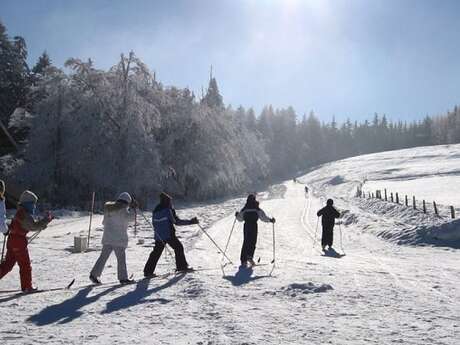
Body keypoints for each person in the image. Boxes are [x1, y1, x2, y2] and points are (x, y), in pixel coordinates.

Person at [0, 190, 53, 292]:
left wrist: (43, 224)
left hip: (12, 240)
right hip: (19, 242)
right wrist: (46, 220)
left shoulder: (20, 212)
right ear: (27, 204)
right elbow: (34, 226)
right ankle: (27, 287)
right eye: (33, 204)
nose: (34, 207)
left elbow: (31, 225)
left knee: (7, 264)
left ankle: (26, 286)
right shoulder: (24, 214)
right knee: (25, 265)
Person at [143, 192, 199, 277]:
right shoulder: (167, 209)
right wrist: (191, 222)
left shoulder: (156, 210)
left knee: (156, 253)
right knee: (178, 247)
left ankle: (148, 271)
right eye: (170, 201)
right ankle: (182, 267)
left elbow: (154, 223)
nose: (171, 203)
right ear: (167, 201)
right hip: (168, 234)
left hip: (159, 236)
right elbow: (176, 222)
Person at [90, 192, 137, 284]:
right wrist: (133, 209)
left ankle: (94, 274)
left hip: (107, 238)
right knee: (121, 260)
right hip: (119, 239)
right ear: (127, 202)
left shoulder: (109, 209)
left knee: (103, 257)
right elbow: (131, 219)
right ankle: (123, 278)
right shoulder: (123, 210)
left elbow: (104, 222)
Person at [235, 194, 275, 267]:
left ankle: (243, 260)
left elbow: (240, 219)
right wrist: (270, 220)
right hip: (254, 226)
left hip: (246, 226)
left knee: (246, 242)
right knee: (252, 241)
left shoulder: (245, 208)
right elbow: (263, 217)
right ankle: (250, 257)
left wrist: (237, 215)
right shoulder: (256, 208)